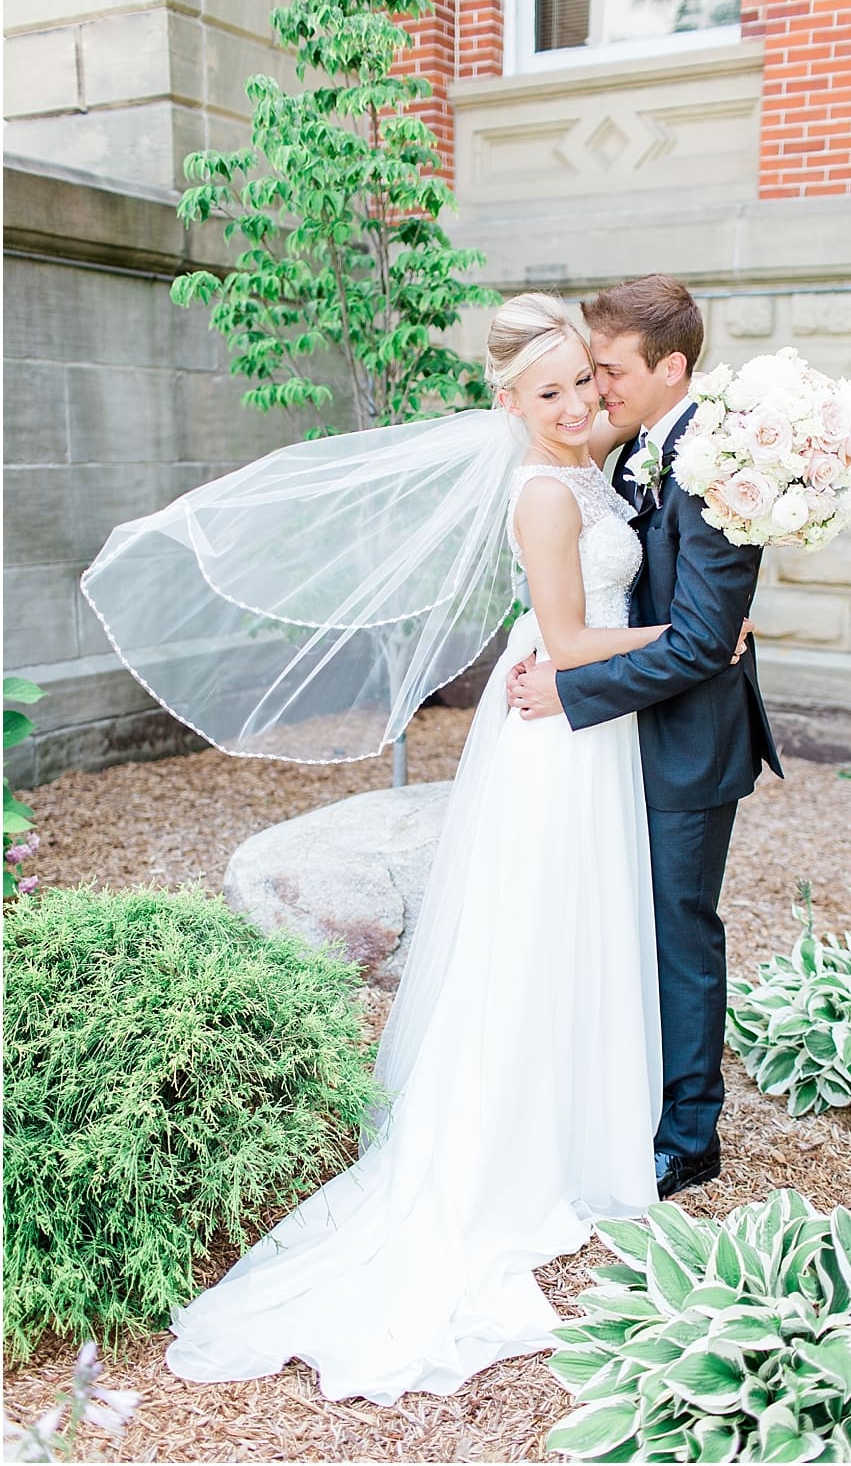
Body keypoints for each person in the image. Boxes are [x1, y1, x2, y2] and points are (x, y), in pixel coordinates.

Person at [115, 293, 751, 1404]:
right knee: (541, 922)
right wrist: (703, 636)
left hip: (592, 730)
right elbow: (564, 639)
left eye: (585, 381)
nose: (577, 402)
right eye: (549, 389)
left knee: (590, 924)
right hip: (563, 721)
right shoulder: (544, 491)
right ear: (506, 401)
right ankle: (520, 1135)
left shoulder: (599, 451)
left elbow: (640, 446)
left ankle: (599, 1107)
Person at [507, 274, 782, 1201]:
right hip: (623, 734)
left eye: (607, 372)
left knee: (679, 935)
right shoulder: (626, 453)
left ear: (670, 369)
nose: (594, 392)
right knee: (621, 926)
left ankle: (688, 1136)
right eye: (581, 375)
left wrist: (571, 688)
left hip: (687, 743)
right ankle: (620, 1102)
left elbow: (706, 643)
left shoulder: (719, 469)